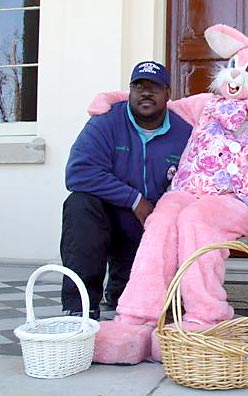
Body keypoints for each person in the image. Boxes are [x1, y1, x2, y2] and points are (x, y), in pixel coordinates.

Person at [61, 61, 192, 319]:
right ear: (129, 91)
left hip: (155, 230)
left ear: (168, 94)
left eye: (154, 87)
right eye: (138, 86)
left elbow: (195, 183)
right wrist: (134, 199)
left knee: (138, 304)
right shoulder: (106, 122)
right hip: (109, 221)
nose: (145, 93)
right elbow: (78, 172)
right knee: (80, 204)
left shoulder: (185, 133)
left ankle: (123, 285)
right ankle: (79, 307)